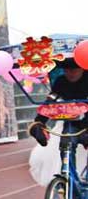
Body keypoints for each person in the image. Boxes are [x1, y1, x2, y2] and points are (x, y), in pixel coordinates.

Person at [28, 56, 88, 185]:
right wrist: (39, 123)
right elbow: (50, 102)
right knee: (65, 145)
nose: (69, 73)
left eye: (74, 69)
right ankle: (68, 179)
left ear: (82, 68)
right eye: (66, 69)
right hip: (71, 124)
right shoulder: (61, 82)